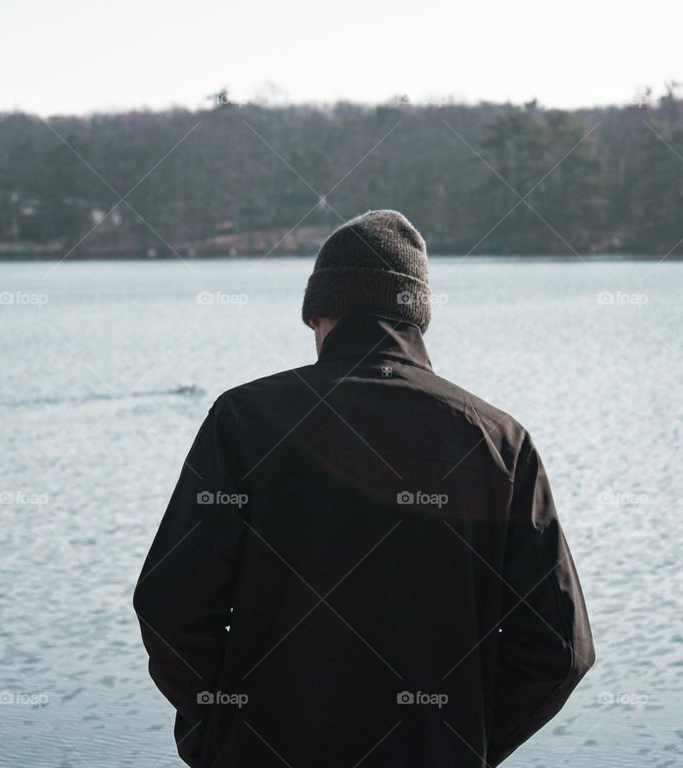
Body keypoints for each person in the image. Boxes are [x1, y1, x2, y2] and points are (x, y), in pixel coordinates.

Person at [133, 210, 594, 767]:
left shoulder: (244, 421)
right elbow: (560, 649)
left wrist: (222, 726)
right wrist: (461, 742)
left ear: (320, 312)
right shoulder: (499, 442)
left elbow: (170, 605)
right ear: (419, 318)